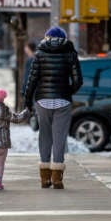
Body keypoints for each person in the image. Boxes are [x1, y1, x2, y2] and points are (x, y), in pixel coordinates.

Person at [24, 26, 83, 189]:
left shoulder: (39, 53)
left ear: (47, 37)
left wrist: (28, 101)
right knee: (59, 138)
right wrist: (67, 92)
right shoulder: (70, 53)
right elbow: (78, 80)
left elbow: (32, 80)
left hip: (42, 101)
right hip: (63, 102)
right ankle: (57, 178)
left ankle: (44, 178)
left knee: (45, 136)